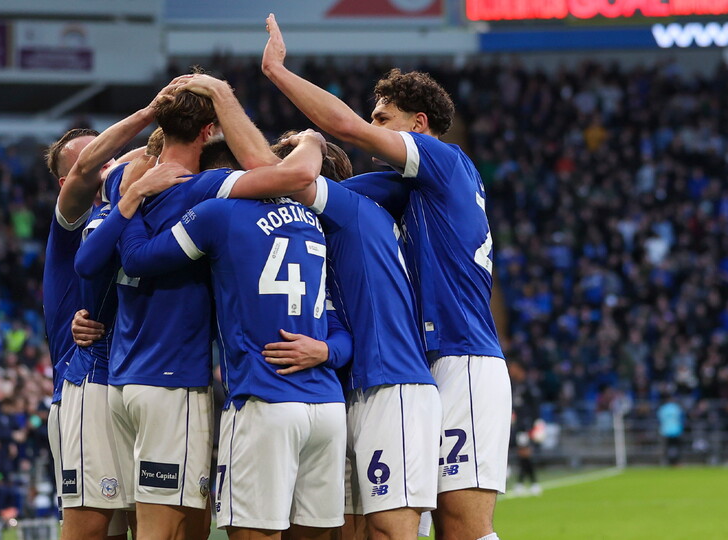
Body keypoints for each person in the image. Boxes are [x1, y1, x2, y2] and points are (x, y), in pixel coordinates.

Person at [262, 15, 511, 540]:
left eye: (384, 117)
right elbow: (312, 189)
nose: (373, 126)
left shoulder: (445, 163)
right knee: (418, 524)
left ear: (419, 125)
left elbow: (347, 130)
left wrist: (278, 73)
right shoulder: (403, 190)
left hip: (463, 359)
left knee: (462, 528)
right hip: (429, 364)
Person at [117, 130, 347, 540]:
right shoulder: (312, 224)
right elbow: (341, 331)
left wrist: (131, 199)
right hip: (327, 406)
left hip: (265, 401)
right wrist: (326, 351)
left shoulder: (217, 214)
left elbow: (136, 259)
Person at [258, 136, 442, 540]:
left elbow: (293, 178)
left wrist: (309, 140)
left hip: (392, 386)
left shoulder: (353, 210)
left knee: (390, 529)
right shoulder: (323, 240)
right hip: (351, 392)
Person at [42, 82, 179, 540]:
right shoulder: (75, 218)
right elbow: (88, 167)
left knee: (131, 526)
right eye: (99, 158)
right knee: (90, 528)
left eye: (110, 157)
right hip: (81, 383)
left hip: (124, 381)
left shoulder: (133, 218)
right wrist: (151, 111)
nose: (108, 163)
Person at [657, 394, 684, 466]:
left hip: (666, 431)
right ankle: (676, 462)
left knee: (667, 448)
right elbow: (681, 419)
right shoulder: (676, 408)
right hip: (676, 430)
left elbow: (659, 420)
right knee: (677, 448)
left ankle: (667, 462)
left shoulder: (662, 409)